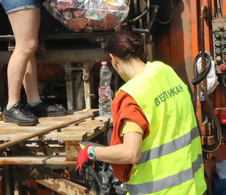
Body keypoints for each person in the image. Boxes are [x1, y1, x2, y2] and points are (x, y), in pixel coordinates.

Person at [75, 30, 206, 195]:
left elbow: (130, 153)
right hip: (191, 188)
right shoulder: (166, 71)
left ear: (113, 59)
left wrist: (91, 152)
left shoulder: (132, 95)